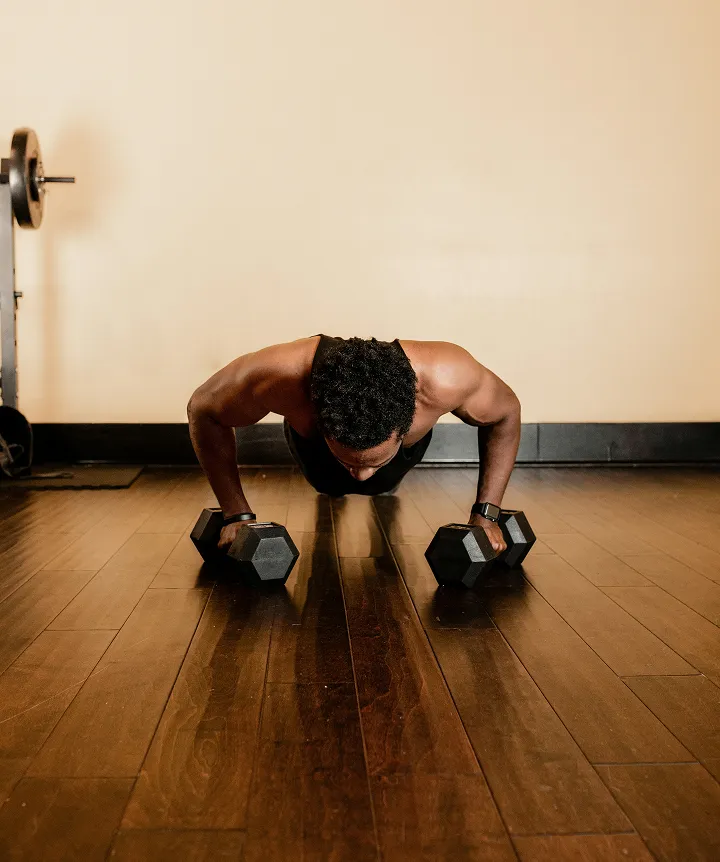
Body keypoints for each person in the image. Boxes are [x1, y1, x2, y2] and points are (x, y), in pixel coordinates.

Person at [187, 335, 520, 553]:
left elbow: (506, 412)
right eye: (352, 463)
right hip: (316, 462)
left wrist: (486, 514)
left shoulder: (448, 377)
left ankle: (372, 464)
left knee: (380, 483)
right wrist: (236, 514)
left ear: (409, 422)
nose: (361, 475)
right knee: (332, 483)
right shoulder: (277, 376)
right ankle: (348, 461)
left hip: (399, 464)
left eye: (372, 462)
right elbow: (203, 410)